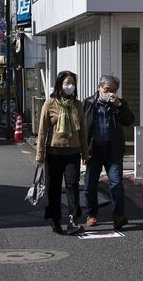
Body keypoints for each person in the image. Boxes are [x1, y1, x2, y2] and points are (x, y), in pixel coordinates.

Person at [36, 71, 88, 235]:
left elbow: (83, 131)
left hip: (73, 152)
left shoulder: (78, 105)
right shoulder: (50, 103)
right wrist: (39, 154)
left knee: (73, 186)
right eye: (67, 82)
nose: (70, 85)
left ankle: (73, 220)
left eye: (72, 82)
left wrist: (85, 153)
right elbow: (42, 131)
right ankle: (55, 219)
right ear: (60, 84)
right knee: (54, 187)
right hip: (54, 152)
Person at [83, 74, 135, 230]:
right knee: (89, 184)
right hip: (94, 149)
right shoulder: (89, 103)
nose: (110, 93)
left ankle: (118, 215)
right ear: (99, 88)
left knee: (116, 183)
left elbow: (129, 120)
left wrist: (119, 105)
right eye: (107, 89)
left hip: (113, 150)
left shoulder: (118, 104)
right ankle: (92, 214)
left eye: (114, 90)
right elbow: (83, 127)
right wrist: (83, 150)